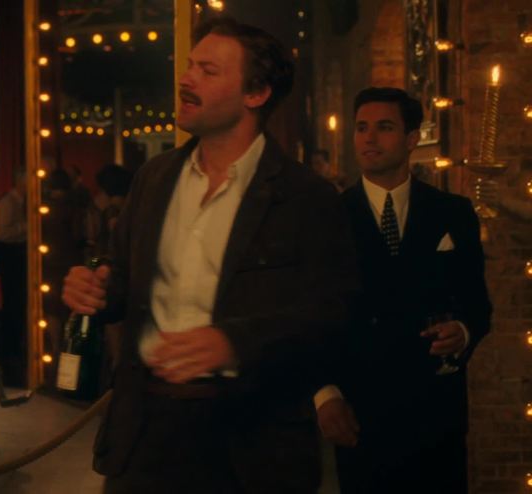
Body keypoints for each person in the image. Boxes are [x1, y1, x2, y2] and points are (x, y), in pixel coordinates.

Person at [63, 17, 359, 493]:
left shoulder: (306, 196)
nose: (186, 79)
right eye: (189, 66)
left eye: (208, 70)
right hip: (144, 434)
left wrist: (234, 342)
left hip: (251, 444)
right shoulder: (154, 178)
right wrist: (94, 288)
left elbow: (332, 315)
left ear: (256, 94)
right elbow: (120, 277)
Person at [314, 87, 492, 493]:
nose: (369, 138)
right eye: (362, 128)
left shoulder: (452, 212)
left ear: (412, 139)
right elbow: (312, 315)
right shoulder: (329, 217)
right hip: (361, 410)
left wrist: (463, 331)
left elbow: (478, 304)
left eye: (384, 127)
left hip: (435, 410)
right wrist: (324, 394)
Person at [0, 167, 28, 386]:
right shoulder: (8, 203)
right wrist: (28, 228)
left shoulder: (20, 203)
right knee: (12, 306)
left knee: (16, 305)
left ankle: (12, 350)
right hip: (11, 264)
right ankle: (7, 351)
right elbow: (2, 233)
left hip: (17, 263)